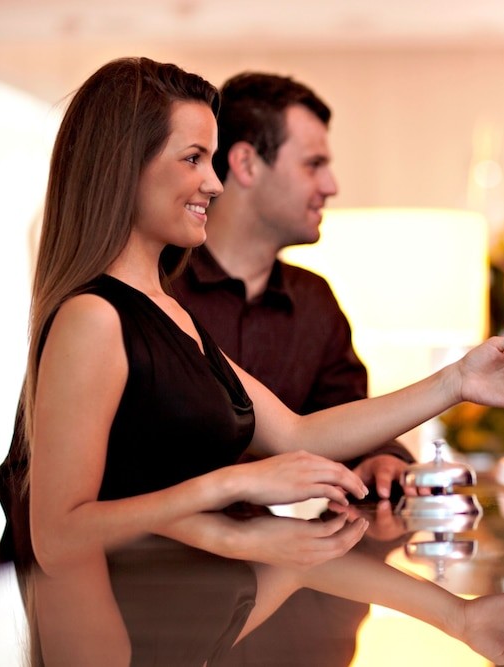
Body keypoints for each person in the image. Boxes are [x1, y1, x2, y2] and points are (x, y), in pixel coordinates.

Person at [6, 56, 504, 667]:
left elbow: (297, 434)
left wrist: (457, 381)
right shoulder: (93, 316)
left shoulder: (170, 314)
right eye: (193, 158)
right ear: (124, 167)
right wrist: (229, 486)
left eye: (212, 160)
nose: (214, 184)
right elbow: (57, 536)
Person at [168, 71, 410, 667]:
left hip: (299, 609)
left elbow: (348, 421)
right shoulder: (152, 294)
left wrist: (381, 458)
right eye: (314, 164)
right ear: (246, 164)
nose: (331, 185)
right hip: (160, 606)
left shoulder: (316, 302)